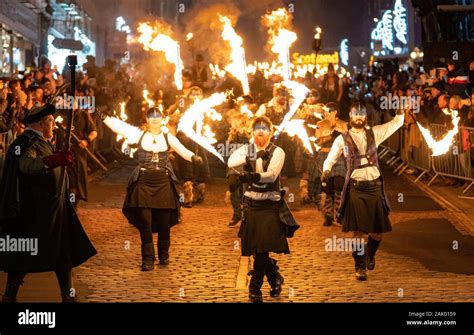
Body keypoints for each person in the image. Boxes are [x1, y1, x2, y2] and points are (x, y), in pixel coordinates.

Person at [0, 103, 97, 302]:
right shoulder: (25, 142)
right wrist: (54, 160)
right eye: (51, 122)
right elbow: (27, 165)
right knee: (23, 255)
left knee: (63, 254)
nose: (53, 125)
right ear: (42, 123)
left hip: (54, 209)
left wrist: (58, 157)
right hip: (34, 211)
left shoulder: (41, 140)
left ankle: (68, 295)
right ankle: (9, 296)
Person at [101, 107, 202, 270]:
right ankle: (148, 259)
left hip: (163, 182)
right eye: (151, 117)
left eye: (157, 117)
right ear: (147, 120)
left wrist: (194, 158)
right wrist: (104, 117)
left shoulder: (168, 137)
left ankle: (163, 255)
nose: (154, 119)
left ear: (161, 119)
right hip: (144, 182)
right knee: (145, 222)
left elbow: (182, 150)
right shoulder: (139, 135)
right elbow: (120, 127)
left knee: (164, 222)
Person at [322, 102, 404, 281]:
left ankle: (370, 254)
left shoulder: (375, 133)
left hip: (374, 187)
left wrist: (400, 109)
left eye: (361, 114)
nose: (359, 117)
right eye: (355, 114)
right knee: (358, 232)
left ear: (365, 116)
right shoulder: (341, 139)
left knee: (377, 232)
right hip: (356, 188)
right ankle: (359, 266)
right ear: (350, 116)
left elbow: (396, 123)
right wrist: (326, 170)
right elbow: (331, 158)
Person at [228, 116, 299, 303]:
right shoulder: (246, 149)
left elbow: (271, 176)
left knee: (261, 250)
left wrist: (251, 176)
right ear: (252, 131)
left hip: (269, 205)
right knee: (257, 248)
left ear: (271, 132)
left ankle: (255, 288)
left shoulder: (278, 152)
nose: (261, 131)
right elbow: (230, 162)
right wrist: (252, 156)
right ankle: (275, 278)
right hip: (251, 206)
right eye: (257, 128)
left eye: (265, 128)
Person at [314, 103, 347, 226]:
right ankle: (327, 215)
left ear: (335, 112)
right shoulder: (319, 124)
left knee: (339, 184)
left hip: (339, 157)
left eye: (331, 111)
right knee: (326, 186)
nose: (328, 113)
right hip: (324, 155)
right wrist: (330, 135)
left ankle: (339, 214)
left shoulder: (343, 124)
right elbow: (318, 140)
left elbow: (347, 140)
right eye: (326, 111)